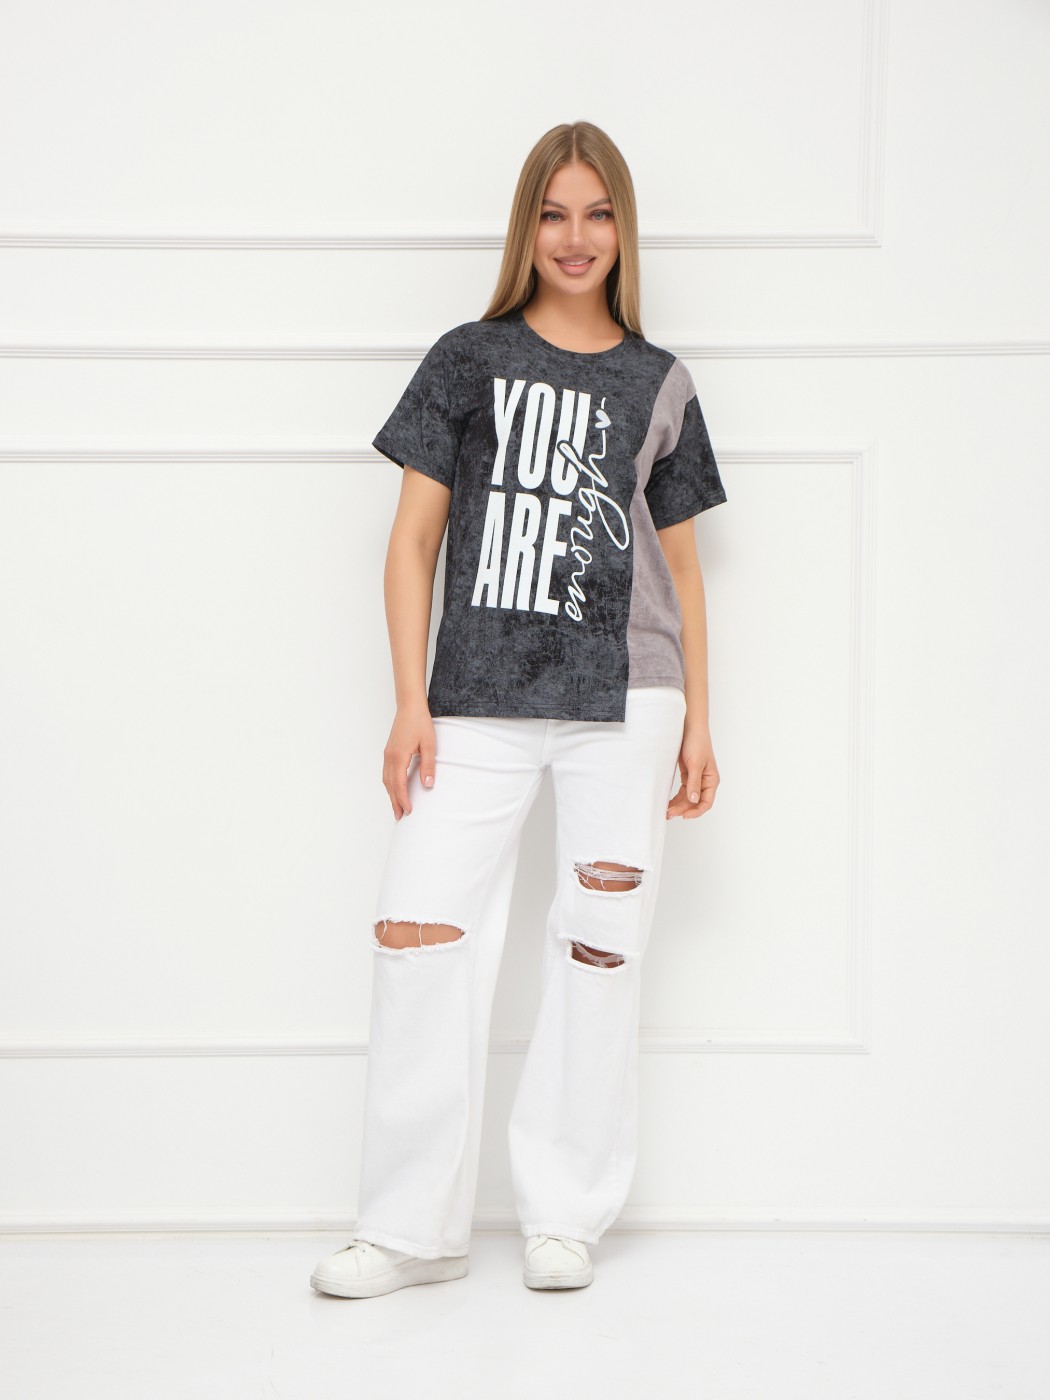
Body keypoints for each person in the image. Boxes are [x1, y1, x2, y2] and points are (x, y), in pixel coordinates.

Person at [310, 120, 727, 1300]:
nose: (574, 237)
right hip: (475, 698)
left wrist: (701, 718)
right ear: (525, 226)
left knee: (601, 950)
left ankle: (565, 1211)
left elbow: (683, 567)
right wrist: (409, 699)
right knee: (418, 932)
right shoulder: (467, 358)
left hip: (629, 698)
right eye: (553, 213)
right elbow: (412, 543)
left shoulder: (661, 380)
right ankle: (409, 1228)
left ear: (623, 229)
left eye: (597, 214)